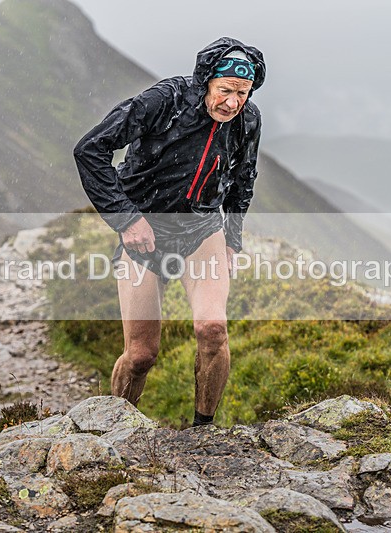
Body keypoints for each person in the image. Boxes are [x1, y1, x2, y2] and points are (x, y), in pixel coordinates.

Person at [74, 37, 265, 427]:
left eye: (242, 94)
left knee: (213, 329)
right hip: (146, 232)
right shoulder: (166, 101)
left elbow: (243, 178)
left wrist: (232, 239)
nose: (232, 103)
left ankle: (202, 432)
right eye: (225, 91)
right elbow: (90, 149)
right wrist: (127, 219)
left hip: (201, 230)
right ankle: (115, 430)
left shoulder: (248, 120)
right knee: (141, 354)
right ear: (206, 82)